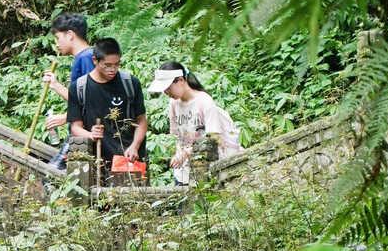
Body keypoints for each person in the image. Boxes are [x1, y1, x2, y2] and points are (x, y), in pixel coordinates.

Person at [65, 36, 148, 182]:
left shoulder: (130, 83)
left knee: (133, 201)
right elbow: (75, 127)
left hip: (128, 158)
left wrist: (135, 146)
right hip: (96, 159)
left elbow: (141, 121)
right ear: (95, 61)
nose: (113, 70)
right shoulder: (79, 88)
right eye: (107, 65)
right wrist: (91, 134)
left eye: (116, 64)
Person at [149, 62, 241, 184]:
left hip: (209, 166)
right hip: (183, 170)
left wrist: (186, 153)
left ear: (180, 80)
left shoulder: (205, 102)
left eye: (168, 88)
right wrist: (179, 153)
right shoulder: (173, 103)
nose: (166, 92)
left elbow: (213, 138)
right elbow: (176, 135)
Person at [42, 12, 95, 147]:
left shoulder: (87, 58)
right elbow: (80, 99)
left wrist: (65, 117)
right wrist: (55, 85)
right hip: (82, 134)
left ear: (70, 35)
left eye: (57, 38)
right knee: (65, 167)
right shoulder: (83, 57)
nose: (56, 44)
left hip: (87, 134)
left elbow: (95, 102)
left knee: (60, 167)